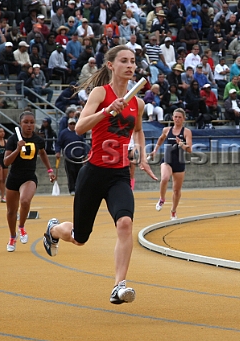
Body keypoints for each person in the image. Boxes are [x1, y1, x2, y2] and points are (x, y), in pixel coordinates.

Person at [43, 46, 158, 305]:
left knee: (125, 224)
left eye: (133, 61)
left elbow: (137, 130)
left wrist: (141, 157)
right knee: (79, 238)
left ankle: (119, 286)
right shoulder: (99, 93)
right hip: (94, 173)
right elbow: (81, 126)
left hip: (118, 175)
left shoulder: (137, 102)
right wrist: (107, 111)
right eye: (124, 61)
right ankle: (54, 229)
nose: (130, 66)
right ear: (110, 65)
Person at [4, 111, 56, 252]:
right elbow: (6, 161)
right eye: (25, 122)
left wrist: (50, 170)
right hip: (14, 178)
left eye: (31, 122)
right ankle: (12, 236)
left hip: (29, 177)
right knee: (11, 211)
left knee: (25, 201)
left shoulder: (38, 140)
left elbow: (43, 153)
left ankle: (21, 227)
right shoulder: (13, 139)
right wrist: (18, 149)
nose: (29, 125)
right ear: (20, 124)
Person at [151, 108, 193, 220]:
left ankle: (173, 211)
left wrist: (181, 144)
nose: (177, 119)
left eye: (180, 117)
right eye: (175, 117)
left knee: (176, 190)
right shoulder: (166, 130)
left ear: (183, 119)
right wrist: (155, 150)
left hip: (179, 162)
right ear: (172, 117)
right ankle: (162, 199)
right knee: (164, 178)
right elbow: (160, 139)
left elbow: (189, 149)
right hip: (167, 160)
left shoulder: (186, 132)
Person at [55, 118, 87, 195]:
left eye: (74, 124)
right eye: (71, 124)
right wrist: (57, 151)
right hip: (68, 156)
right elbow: (59, 143)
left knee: (79, 173)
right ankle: (72, 189)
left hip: (78, 156)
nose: (72, 125)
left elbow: (83, 143)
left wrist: (85, 154)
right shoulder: (63, 133)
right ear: (68, 124)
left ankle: (78, 188)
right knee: (70, 173)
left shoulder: (79, 132)